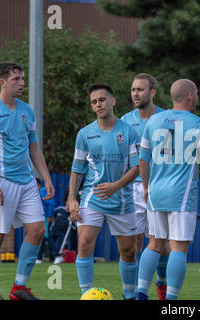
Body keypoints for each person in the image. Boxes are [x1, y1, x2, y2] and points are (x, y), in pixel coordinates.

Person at [137, 78, 200, 300]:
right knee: (178, 247)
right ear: (191, 96)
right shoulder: (199, 124)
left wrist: (146, 187)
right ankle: (171, 300)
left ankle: (140, 294)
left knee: (154, 244)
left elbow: (143, 158)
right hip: (181, 194)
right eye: (197, 93)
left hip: (155, 191)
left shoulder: (153, 121)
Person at [66, 83, 140, 300]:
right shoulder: (85, 134)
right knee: (84, 242)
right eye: (94, 102)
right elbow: (77, 170)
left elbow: (137, 167)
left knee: (128, 251)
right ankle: (86, 294)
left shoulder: (129, 131)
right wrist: (72, 198)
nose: (98, 104)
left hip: (122, 200)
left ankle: (129, 295)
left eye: (102, 100)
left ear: (113, 101)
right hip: (92, 197)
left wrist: (116, 186)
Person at [0, 62, 55, 300]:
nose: (22, 83)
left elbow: (33, 147)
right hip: (2, 180)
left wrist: (46, 178)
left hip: (27, 181)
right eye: (16, 79)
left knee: (37, 230)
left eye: (22, 78)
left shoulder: (26, 110)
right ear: (2, 82)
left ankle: (18, 289)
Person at [121, 73, 169, 300]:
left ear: (152, 92)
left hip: (157, 188)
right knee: (133, 244)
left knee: (161, 245)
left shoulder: (166, 119)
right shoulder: (125, 121)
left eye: (140, 89)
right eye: (133, 90)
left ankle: (161, 282)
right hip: (131, 189)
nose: (135, 94)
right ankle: (133, 293)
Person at [51, 187, 76, 264]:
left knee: (58, 245)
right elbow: (53, 217)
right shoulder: (59, 209)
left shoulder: (71, 215)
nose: (68, 206)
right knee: (50, 243)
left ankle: (58, 257)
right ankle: (55, 256)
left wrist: (72, 220)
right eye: (67, 204)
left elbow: (74, 227)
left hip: (62, 234)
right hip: (53, 231)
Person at [36, 178, 56, 263]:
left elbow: (50, 203)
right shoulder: (40, 192)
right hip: (43, 217)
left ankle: (57, 255)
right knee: (44, 238)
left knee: (47, 237)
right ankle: (39, 258)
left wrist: (50, 215)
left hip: (46, 217)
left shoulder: (43, 191)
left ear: (38, 185)